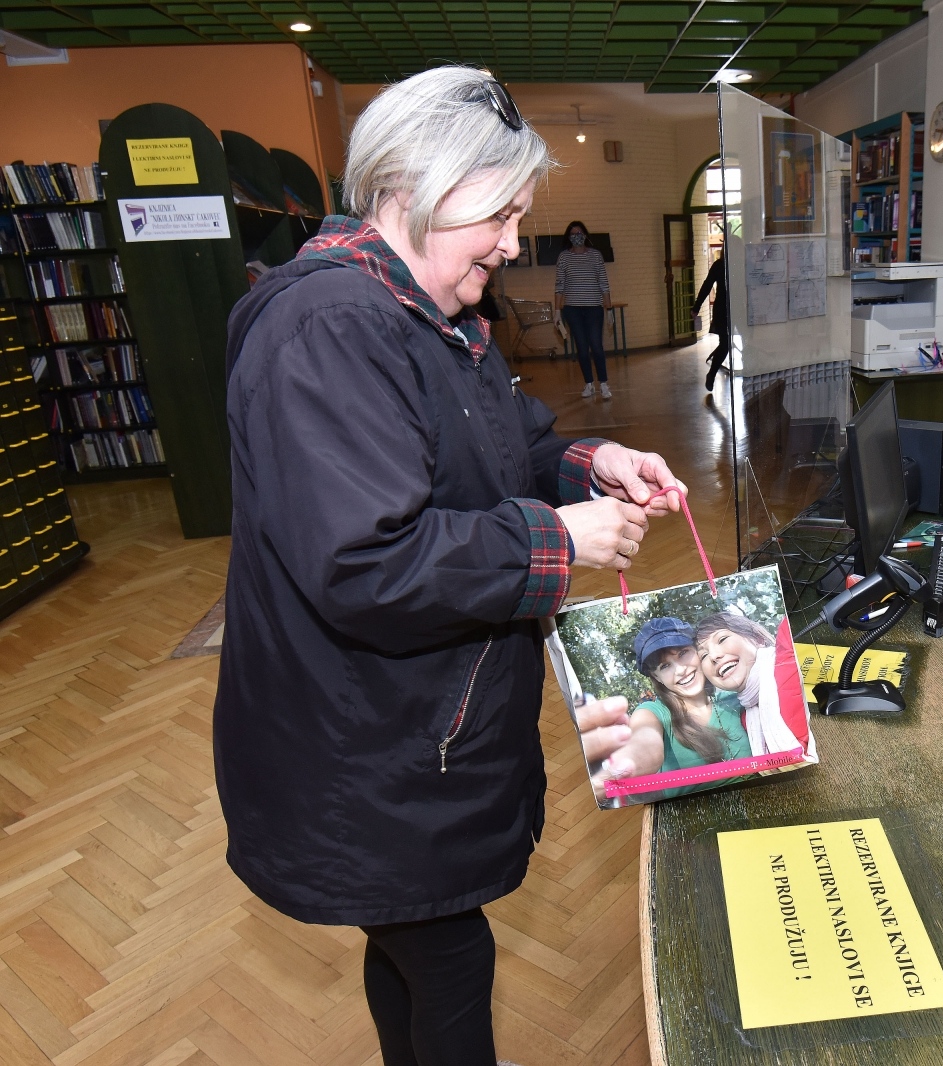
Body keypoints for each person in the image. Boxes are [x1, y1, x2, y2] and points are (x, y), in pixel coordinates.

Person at [214, 67, 685, 1066]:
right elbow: (369, 561)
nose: (515, 243)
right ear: (416, 187)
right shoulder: (332, 328)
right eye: (502, 214)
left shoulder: (429, 314)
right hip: (364, 743)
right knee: (446, 951)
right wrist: (561, 541)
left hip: (412, 730)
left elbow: (500, 447)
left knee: (414, 937)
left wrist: (589, 461)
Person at [588, 617, 753, 802]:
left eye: (683, 653)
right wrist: (621, 767)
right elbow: (644, 740)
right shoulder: (653, 711)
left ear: (698, 651)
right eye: (665, 666)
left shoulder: (733, 695)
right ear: (657, 677)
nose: (680, 670)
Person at [695, 611, 814, 761]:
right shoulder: (746, 718)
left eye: (722, 639)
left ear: (757, 638)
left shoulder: (786, 656)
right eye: (703, 656)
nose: (713, 656)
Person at [554, 219, 611, 398]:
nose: (576, 237)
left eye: (579, 234)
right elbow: (559, 286)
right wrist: (557, 311)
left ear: (585, 235)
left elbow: (604, 282)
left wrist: (608, 309)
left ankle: (603, 383)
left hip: (594, 307)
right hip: (572, 309)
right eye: (572, 235)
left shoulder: (595, 255)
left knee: (596, 345)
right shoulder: (564, 257)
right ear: (568, 238)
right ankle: (588, 383)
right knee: (581, 346)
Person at [693, 252, 729, 392]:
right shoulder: (723, 265)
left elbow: (707, 285)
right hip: (729, 309)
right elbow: (707, 286)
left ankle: (712, 374)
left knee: (724, 344)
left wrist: (696, 306)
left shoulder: (720, 265)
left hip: (723, 309)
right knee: (725, 345)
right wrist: (697, 306)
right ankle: (712, 374)